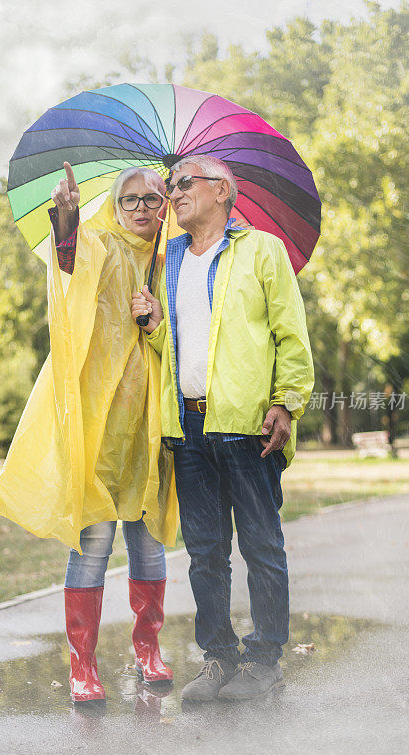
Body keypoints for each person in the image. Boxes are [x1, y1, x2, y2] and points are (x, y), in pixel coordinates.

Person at [0, 163, 178, 704]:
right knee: (93, 542)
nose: (141, 207)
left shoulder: (173, 260)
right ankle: (84, 664)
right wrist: (67, 215)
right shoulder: (98, 242)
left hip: (148, 424)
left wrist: (154, 318)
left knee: (149, 542)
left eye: (153, 198)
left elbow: (186, 339)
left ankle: (148, 650)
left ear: (166, 206)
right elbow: (68, 263)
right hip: (99, 421)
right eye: (130, 199)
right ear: (116, 205)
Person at [131, 155, 314, 702]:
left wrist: (287, 403)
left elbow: (291, 334)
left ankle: (265, 659)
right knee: (206, 549)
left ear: (222, 192)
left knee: (261, 544)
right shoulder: (170, 262)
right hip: (187, 426)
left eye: (185, 183)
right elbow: (177, 350)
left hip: (247, 425)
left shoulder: (262, 250)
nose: (174, 193)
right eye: (172, 186)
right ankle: (219, 657)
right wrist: (155, 326)